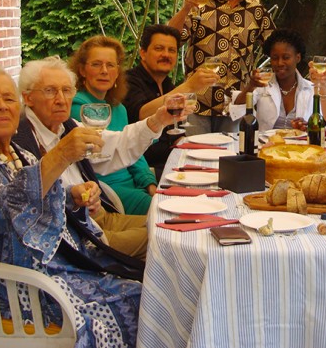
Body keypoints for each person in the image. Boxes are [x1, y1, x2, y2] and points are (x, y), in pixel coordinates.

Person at [0, 67, 162, 347]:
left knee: (149, 289)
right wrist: (61, 155)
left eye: (7, 98)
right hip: (0, 283)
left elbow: (43, 198)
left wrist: (73, 197)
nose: (2, 106)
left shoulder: (18, 153)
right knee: (137, 302)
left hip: (44, 268)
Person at [13, 56, 178, 260]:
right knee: (168, 239)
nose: (61, 99)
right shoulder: (20, 139)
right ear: (28, 98)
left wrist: (156, 121)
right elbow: (24, 200)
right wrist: (73, 197)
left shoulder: (67, 126)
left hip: (97, 215)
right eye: (50, 91)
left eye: (66, 90)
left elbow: (114, 145)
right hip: (75, 236)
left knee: (174, 225)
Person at [168, 0, 277, 135]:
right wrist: (185, 9)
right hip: (198, 103)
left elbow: (276, 46)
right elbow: (171, 39)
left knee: (231, 159)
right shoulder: (200, 4)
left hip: (237, 104)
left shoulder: (256, 9)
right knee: (196, 159)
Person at [69, 35, 160, 215]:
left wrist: (149, 182)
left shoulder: (118, 108)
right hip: (107, 190)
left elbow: (133, 151)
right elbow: (95, 161)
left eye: (110, 65)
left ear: (117, 72)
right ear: (82, 70)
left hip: (133, 184)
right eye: (96, 64)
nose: (104, 71)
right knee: (165, 213)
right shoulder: (78, 107)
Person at [124, 24, 219, 174]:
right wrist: (189, 86)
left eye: (172, 50)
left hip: (172, 161)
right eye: (159, 49)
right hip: (144, 170)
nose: (166, 55)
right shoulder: (129, 80)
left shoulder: (167, 84)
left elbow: (176, 132)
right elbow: (141, 113)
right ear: (143, 53)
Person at [229, 29, 314, 132]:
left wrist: (307, 126)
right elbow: (237, 110)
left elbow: (322, 125)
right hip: (265, 145)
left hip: (300, 146)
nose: (280, 63)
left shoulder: (311, 89)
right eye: (274, 58)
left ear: (298, 57)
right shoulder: (262, 86)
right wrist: (251, 86)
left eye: (286, 57)